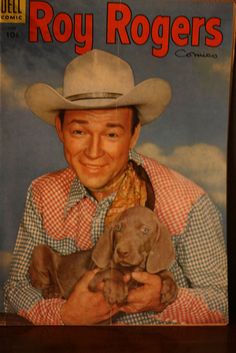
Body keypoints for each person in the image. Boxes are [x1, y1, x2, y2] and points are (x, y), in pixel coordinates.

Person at [4, 49, 227, 325]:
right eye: (79, 131)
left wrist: (164, 299)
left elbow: (223, 302)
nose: (94, 151)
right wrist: (63, 315)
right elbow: (13, 291)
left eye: (111, 134)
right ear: (60, 129)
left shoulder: (188, 202)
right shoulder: (42, 193)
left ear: (134, 134)